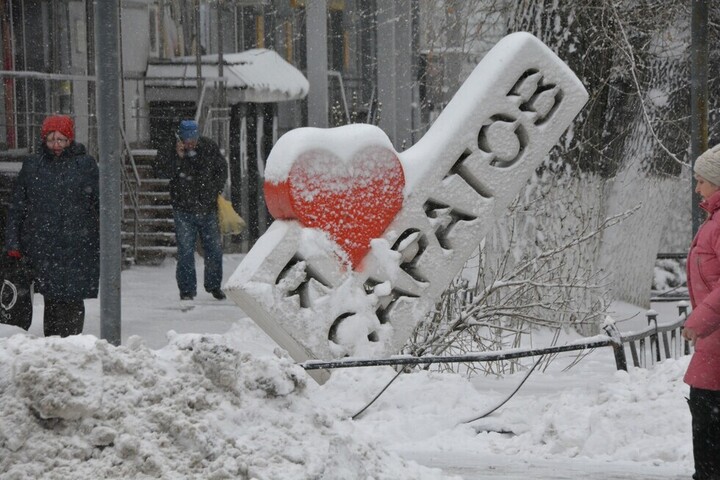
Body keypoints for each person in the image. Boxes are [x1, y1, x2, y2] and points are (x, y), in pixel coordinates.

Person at [4, 114, 99, 337]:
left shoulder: (85, 165)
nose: (56, 145)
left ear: (70, 139)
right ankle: (55, 343)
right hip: (44, 245)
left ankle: (72, 344)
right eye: (51, 139)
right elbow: (18, 206)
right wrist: (13, 242)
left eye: (61, 139)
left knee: (73, 298)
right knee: (53, 299)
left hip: (76, 244)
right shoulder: (33, 166)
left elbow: (99, 204)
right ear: (43, 139)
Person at [153, 119, 228, 301]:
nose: (190, 144)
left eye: (193, 140)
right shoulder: (170, 150)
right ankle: (187, 290)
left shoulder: (208, 147)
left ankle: (214, 285)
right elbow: (160, 171)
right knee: (185, 251)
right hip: (183, 208)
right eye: (187, 140)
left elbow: (221, 169)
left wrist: (213, 191)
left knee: (214, 250)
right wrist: (178, 159)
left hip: (207, 207)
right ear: (180, 137)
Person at [683, 143, 720, 480]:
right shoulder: (714, 220)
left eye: (701, 181)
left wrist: (699, 321)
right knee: (705, 415)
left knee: (708, 420)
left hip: (716, 340)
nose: (697, 188)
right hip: (713, 345)